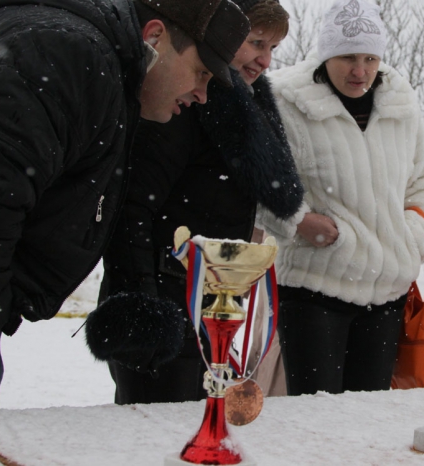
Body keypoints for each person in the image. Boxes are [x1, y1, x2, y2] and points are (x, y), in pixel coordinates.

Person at [0, 0, 250, 410]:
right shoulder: (71, 55)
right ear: (155, 36)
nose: (203, 95)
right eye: (201, 72)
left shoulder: (98, 64)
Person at [95, 0, 302, 404]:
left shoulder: (243, 107)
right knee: (156, 428)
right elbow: (132, 206)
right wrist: (142, 303)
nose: (264, 60)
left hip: (207, 305)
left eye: (273, 48)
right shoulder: (179, 102)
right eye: (256, 42)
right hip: (166, 302)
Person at [257, 0, 424, 396]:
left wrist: (409, 237)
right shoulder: (284, 99)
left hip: (387, 292)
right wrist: (298, 221)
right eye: (348, 58)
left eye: (370, 58)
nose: (360, 71)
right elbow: (257, 180)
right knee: (317, 417)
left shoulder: (400, 102)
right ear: (326, 55)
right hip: (313, 289)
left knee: (368, 418)